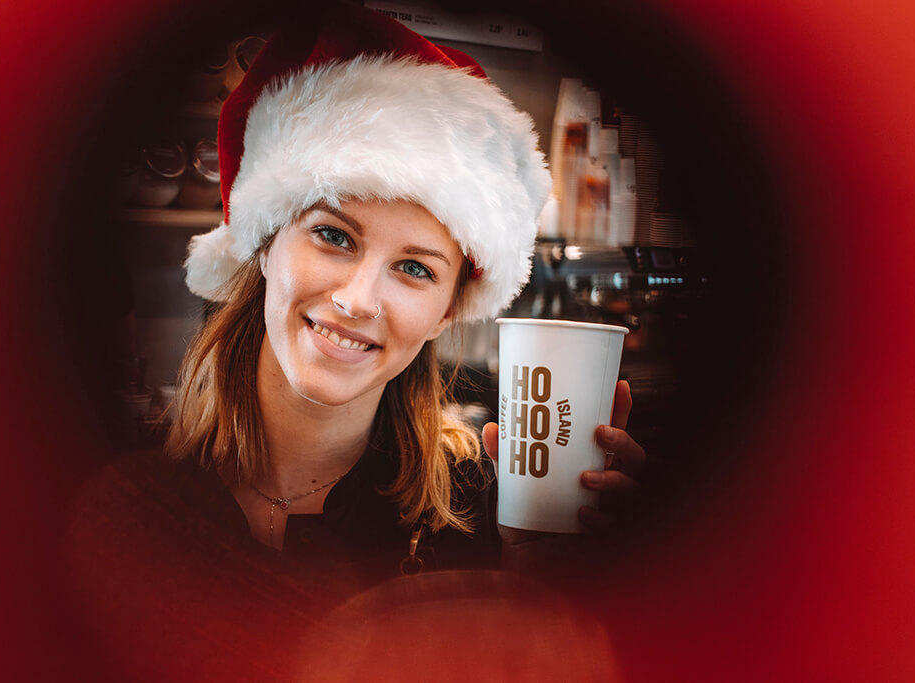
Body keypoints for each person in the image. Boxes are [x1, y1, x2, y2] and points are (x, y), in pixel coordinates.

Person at [166, 2, 646, 581]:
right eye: (332, 235)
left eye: (416, 269)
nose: (358, 300)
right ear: (266, 241)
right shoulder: (122, 473)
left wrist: (539, 581)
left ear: (447, 313)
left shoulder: (481, 514)